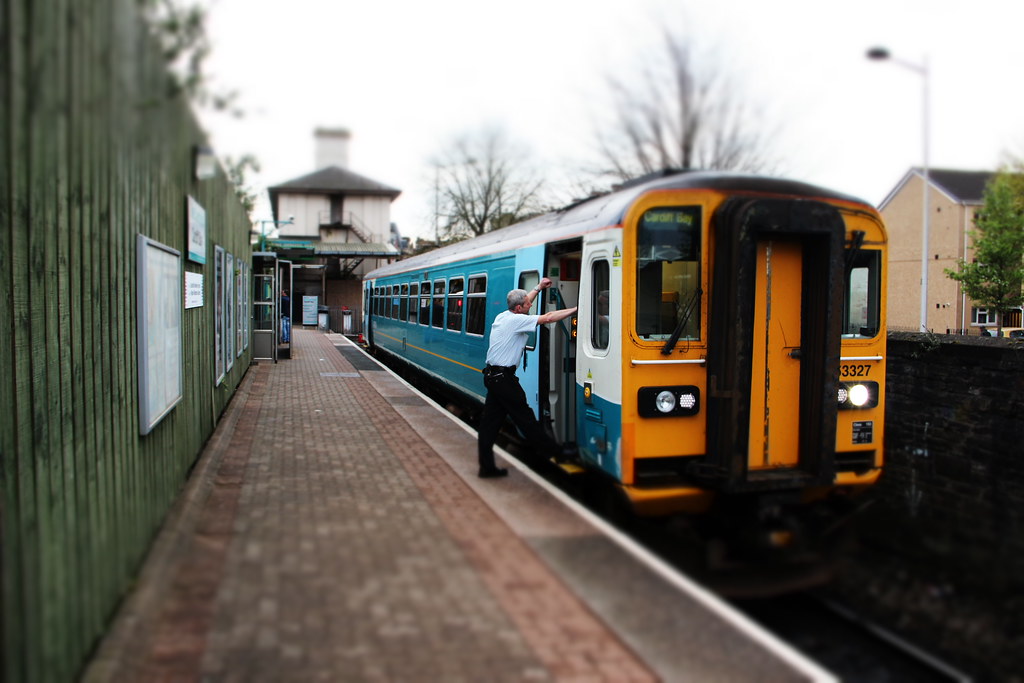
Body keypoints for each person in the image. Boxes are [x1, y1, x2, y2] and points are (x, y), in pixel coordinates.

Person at [477, 278, 578, 478]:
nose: (531, 305)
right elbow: (548, 317)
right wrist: (577, 308)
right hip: (503, 380)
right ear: (518, 308)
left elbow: (525, 301)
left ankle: (486, 468)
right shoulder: (517, 321)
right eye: (527, 305)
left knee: (490, 425)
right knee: (526, 418)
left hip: (493, 376)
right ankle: (555, 452)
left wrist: (537, 288)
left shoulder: (504, 316)